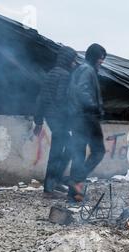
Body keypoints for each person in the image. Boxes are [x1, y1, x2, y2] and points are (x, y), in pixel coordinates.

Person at [34, 46, 78, 199]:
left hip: (50, 117)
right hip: (59, 118)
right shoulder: (65, 75)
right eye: (73, 60)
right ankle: (49, 188)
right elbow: (61, 100)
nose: (74, 63)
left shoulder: (50, 74)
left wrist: (38, 121)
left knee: (63, 149)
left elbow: (40, 99)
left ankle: (54, 181)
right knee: (60, 152)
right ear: (68, 60)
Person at [67, 43, 107, 202]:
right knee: (99, 151)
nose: (102, 62)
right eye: (101, 58)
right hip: (86, 117)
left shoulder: (81, 69)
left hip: (77, 118)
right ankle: (77, 180)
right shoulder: (87, 70)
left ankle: (74, 194)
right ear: (95, 57)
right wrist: (94, 106)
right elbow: (82, 91)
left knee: (79, 154)